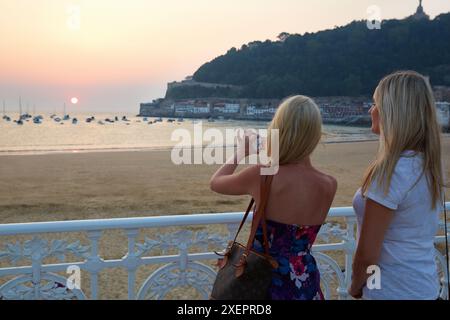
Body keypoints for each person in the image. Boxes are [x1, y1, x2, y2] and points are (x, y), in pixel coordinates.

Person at [210, 95, 337, 300]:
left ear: (278, 131)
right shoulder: (329, 184)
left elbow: (216, 182)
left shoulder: (264, 174)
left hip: (264, 281)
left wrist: (240, 153)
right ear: (315, 135)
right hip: (304, 279)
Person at [349, 70, 445, 300]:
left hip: (393, 290)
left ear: (392, 112)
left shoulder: (393, 171)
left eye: (375, 104)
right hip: (423, 286)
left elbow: (368, 255)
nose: (371, 111)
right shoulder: (424, 164)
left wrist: (356, 287)